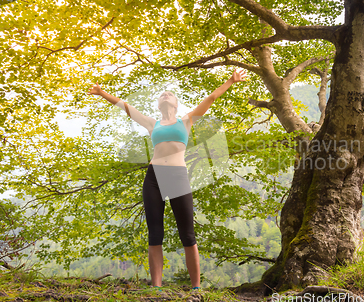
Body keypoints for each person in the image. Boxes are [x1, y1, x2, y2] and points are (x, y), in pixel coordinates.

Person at [88, 69, 246, 290]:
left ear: (176, 103)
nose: (165, 94)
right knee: (155, 232)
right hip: (153, 178)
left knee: (187, 234)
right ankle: (157, 287)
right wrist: (103, 93)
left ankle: (196, 287)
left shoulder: (187, 120)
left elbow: (210, 98)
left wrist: (231, 80)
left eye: (169, 94)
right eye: (162, 94)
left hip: (178, 176)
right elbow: (127, 108)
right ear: (158, 104)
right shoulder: (153, 124)